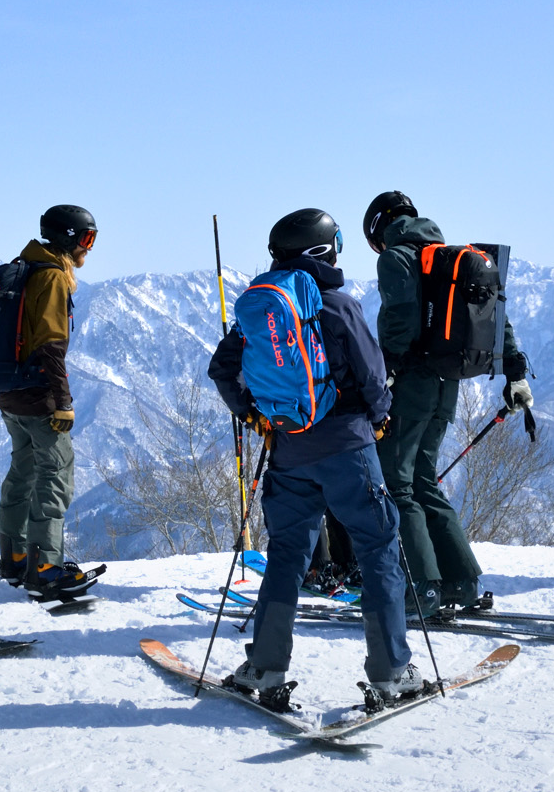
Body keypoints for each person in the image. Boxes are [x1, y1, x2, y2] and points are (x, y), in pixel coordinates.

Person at [208, 207, 427, 709]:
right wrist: (378, 417)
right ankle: (392, 671)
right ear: (324, 251)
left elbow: (223, 370)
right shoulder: (339, 307)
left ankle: (263, 667)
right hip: (348, 449)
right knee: (378, 549)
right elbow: (374, 380)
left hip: (288, 450)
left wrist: (255, 416)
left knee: (286, 555)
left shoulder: (262, 311)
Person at [362, 191, 535, 614]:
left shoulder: (397, 258)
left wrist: (386, 370)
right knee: (424, 481)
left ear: (378, 230)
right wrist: (515, 373)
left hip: (412, 384)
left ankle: (420, 586)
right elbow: (497, 318)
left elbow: (400, 318)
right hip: (448, 383)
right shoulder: (451, 258)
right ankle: (461, 581)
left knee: (397, 483)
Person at [0, 205, 103, 598]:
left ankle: (14, 559)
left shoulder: (23, 268)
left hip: (11, 396)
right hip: (41, 397)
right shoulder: (53, 277)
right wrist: (63, 401)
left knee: (22, 473)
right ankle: (46, 569)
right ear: (68, 238)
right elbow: (52, 346)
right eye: (87, 239)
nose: (89, 248)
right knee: (55, 477)